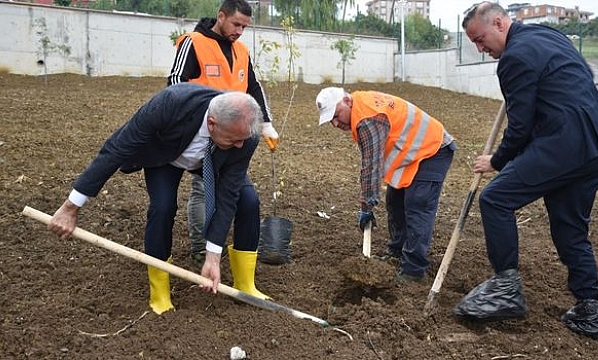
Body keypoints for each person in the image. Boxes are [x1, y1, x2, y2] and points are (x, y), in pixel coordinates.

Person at [453, 2, 598, 340]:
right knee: (569, 229)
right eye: (473, 42)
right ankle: (589, 311)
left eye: (481, 39)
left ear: (499, 22)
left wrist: (497, 162)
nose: (480, 49)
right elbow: (579, 77)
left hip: (565, 143)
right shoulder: (548, 35)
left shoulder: (514, 58)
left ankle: (505, 290)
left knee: (496, 199)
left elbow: (520, 126)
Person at [47, 83, 270, 315]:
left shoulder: (245, 134)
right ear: (212, 124)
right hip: (166, 157)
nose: (240, 146)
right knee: (162, 208)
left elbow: (227, 197)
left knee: (248, 201)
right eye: (234, 140)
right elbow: (116, 149)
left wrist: (213, 257)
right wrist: (71, 207)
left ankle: (245, 285)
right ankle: (160, 291)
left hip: (214, 162)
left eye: (243, 139)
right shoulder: (171, 103)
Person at [168, 0, 278, 270]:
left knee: (238, 192)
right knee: (203, 189)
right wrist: (192, 122)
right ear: (221, 16)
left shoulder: (241, 50)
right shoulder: (194, 43)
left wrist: (265, 123)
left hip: (234, 133)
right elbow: (174, 82)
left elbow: (253, 86)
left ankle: (218, 249)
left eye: (245, 26)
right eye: (236, 24)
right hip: (204, 132)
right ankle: (199, 249)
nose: (240, 31)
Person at [316, 87, 456, 282]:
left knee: (417, 205)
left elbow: (372, 165)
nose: (335, 123)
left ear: (347, 101)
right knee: (395, 200)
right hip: (412, 154)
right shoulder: (360, 108)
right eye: (331, 120)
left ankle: (413, 270)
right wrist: (368, 201)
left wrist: (366, 205)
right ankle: (398, 252)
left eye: (336, 115)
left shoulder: (367, 118)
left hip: (433, 149)